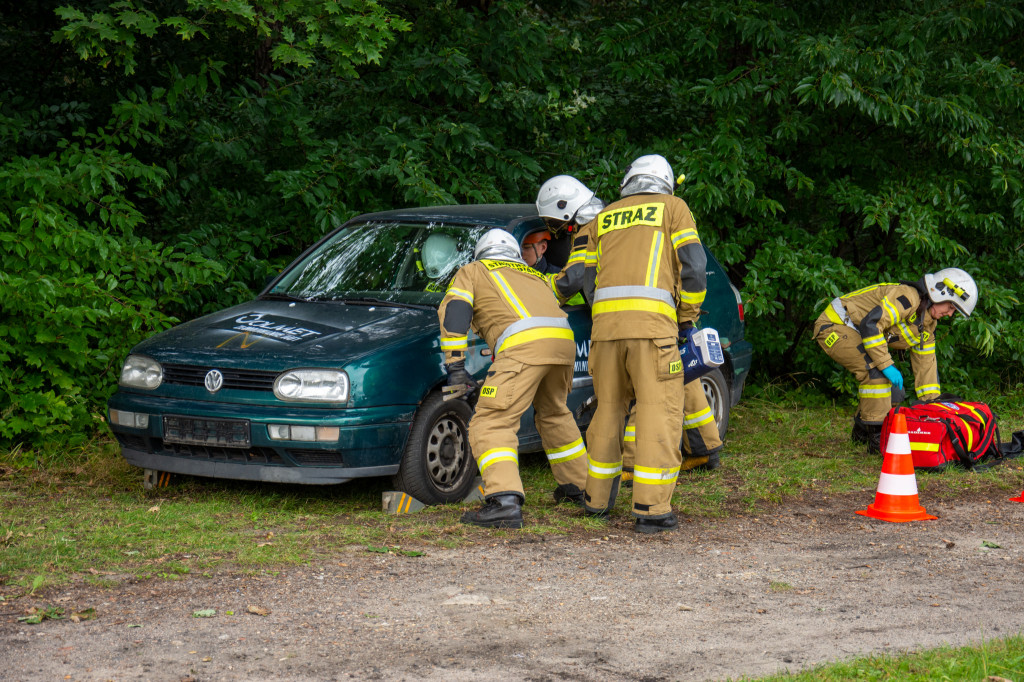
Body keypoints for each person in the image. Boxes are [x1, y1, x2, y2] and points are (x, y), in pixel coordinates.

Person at [552, 154, 707, 533]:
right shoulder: (674, 208)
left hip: (605, 333)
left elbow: (584, 279)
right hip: (653, 331)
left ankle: (596, 502)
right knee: (659, 412)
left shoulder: (603, 218)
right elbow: (694, 266)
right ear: (666, 182)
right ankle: (651, 510)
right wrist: (686, 317)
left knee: (608, 412)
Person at [536, 175, 723, 481]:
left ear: (566, 211)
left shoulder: (591, 226)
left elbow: (572, 279)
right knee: (678, 378)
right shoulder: (626, 215)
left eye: (555, 222)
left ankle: (633, 466)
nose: (556, 231)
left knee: (639, 392)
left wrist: (534, 289)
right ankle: (705, 448)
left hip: (628, 321)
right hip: (665, 307)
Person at [438, 228, 589, 528]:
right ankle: (582, 488)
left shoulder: (473, 271)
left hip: (524, 347)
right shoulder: (532, 274)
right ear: (514, 255)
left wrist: (456, 367)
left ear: (481, 254)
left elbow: (455, 311)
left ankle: (504, 501)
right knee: (555, 413)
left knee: (491, 421)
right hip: (563, 343)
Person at [812, 268, 978, 453]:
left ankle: (861, 433)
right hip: (835, 325)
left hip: (858, 331)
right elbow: (872, 324)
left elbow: (926, 368)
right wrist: (887, 365)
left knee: (895, 391)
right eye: (951, 307)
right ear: (940, 294)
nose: (950, 314)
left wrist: (932, 405)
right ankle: (877, 441)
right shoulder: (907, 296)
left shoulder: (928, 325)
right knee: (876, 374)